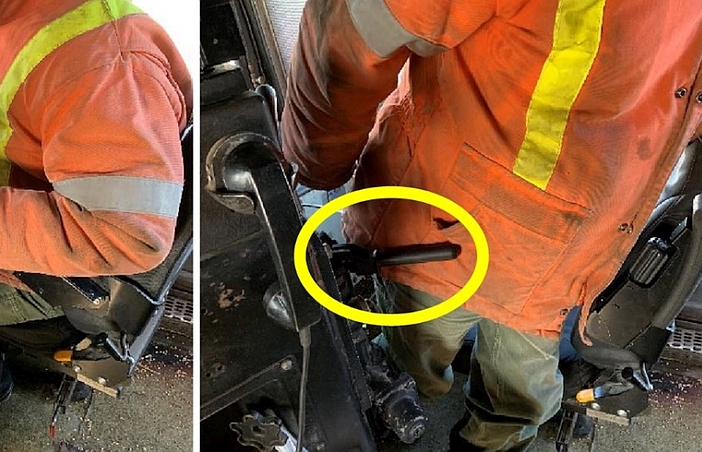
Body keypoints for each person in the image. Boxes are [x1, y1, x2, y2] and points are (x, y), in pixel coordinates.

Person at [280, 0, 702, 450]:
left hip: (457, 228)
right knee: (510, 395)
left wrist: (315, 160)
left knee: (414, 360)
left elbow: (348, 37)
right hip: (528, 244)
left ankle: (399, 411)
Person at [0, 0, 191, 405]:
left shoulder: (107, 67)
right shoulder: (20, 12)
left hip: (57, 265)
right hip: (6, 197)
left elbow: (127, 235)